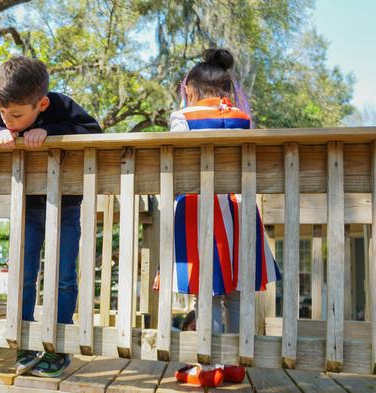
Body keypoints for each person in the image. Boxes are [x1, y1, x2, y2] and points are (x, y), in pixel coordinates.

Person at [0, 56, 101, 377]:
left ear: (42, 104)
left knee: (63, 273)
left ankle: (59, 345)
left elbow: (93, 128)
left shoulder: (61, 106)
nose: (9, 120)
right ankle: (26, 340)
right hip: (28, 204)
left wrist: (48, 131)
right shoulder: (3, 114)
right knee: (22, 272)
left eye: (17, 116)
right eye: (4, 113)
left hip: (65, 203)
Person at [169, 49, 280, 388]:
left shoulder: (183, 116)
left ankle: (207, 365)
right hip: (237, 208)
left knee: (208, 289)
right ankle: (233, 364)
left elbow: (176, 158)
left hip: (199, 209)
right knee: (233, 290)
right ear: (227, 89)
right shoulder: (243, 118)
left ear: (191, 89)